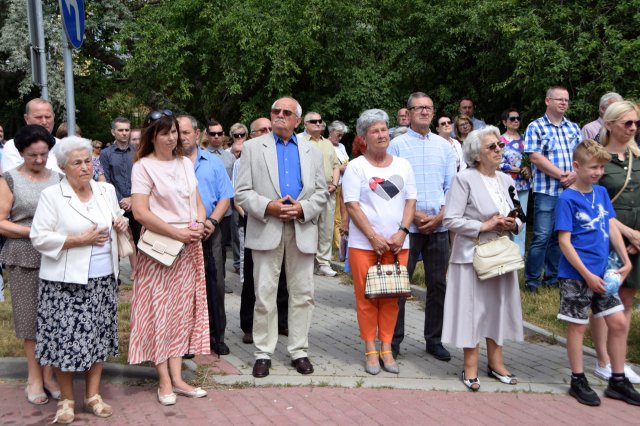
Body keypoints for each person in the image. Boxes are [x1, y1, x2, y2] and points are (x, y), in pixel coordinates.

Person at [30, 136, 128, 423]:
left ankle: (93, 396)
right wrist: (78, 240)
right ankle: (67, 400)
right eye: (77, 163)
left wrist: (120, 222)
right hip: (65, 284)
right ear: (63, 167)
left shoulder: (104, 190)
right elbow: (39, 237)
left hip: (102, 279)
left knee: (98, 338)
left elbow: (115, 217)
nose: (85, 167)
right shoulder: (52, 196)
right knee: (65, 342)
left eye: (87, 161)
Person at [235, 96, 328, 378]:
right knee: (264, 294)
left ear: (297, 120)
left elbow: (322, 192)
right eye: (275, 110)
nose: (279, 115)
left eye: (287, 112)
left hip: (301, 228)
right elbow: (241, 192)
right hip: (267, 226)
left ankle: (299, 350)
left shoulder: (311, 151)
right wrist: (268, 206)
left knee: (303, 295)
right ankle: (263, 353)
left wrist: (302, 208)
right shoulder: (252, 147)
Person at [128, 110, 210, 405]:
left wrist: (199, 224)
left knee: (180, 314)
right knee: (159, 313)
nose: (172, 137)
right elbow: (140, 212)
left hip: (188, 249)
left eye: (174, 131)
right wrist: (177, 234)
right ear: (152, 135)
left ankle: (178, 378)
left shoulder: (186, 163)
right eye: (164, 132)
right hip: (160, 251)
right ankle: (163, 379)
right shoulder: (143, 167)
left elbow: (198, 204)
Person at [554, 140, 637, 406]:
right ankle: (578, 379)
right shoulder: (567, 199)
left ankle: (617, 379)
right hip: (577, 275)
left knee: (619, 322)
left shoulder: (600, 193)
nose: (598, 172)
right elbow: (565, 242)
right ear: (576, 166)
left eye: (601, 167)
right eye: (593, 167)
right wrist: (586, 275)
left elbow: (610, 224)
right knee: (578, 326)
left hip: (603, 272)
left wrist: (625, 260)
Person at [442, 126, 525, 392]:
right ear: (476, 154)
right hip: (472, 256)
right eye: (492, 147)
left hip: (501, 254)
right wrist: (484, 225)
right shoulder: (463, 179)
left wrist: (513, 224)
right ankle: (470, 366)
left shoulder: (506, 180)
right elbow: (450, 219)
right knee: (472, 311)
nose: (499, 150)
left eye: (499, 145)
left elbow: (521, 215)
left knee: (497, 309)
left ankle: (497, 362)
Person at [343, 109, 416, 375]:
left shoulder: (403, 165)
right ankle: (371, 349)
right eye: (375, 131)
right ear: (364, 137)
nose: (382, 134)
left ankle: (387, 348)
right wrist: (373, 237)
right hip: (365, 246)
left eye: (384, 129)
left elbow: (410, 201)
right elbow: (351, 204)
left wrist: (402, 232)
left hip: (398, 246)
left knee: (391, 299)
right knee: (367, 298)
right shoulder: (356, 167)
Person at [388, 92, 456, 361]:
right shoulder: (398, 145)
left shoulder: (445, 147)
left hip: (438, 228)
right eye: (419, 108)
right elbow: (392, 187)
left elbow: (452, 188)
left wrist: (440, 217)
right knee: (399, 286)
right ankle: (393, 341)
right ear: (409, 111)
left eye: (429, 108)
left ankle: (434, 340)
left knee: (438, 285)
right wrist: (414, 216)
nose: (425, 112)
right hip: (408, 228)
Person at [0, 125, 62, 406]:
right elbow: (2, 222)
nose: (39, 160)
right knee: (29, 321)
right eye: (32, 155)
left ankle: (49, 376)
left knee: (53, 318)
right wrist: (36, 232)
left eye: (43, 154)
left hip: (56, 258)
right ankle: (34, 378)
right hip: (23, 256)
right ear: (21, 153)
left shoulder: (60, 178)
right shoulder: (9, 179)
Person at [592, 101, 640, 384]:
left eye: (636, 123)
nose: (633, 128)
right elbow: (598, 204)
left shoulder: (637, 156)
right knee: (605, 298)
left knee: (627, 298)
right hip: (609, 237)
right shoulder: (599, 158)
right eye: (627, 123)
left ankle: (620, 361)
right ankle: (603, 360)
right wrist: (628, 234)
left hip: (637, 239)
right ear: (609, 124)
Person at [177, 114, 233, 356]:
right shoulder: (169, 163)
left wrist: (211, 221)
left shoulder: (213, 162)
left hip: (211, 231)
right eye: (177, 132)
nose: (181, 137)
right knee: (183, 288)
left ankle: (216, 336)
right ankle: (186, 340)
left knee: (215, 283)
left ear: (197, 134)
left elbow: (225, 196)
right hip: (179, 233)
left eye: (186, 132)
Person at [524, 86, 582, 293]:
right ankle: (531, 281)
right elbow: (535, 157)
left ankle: (552, 278)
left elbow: (582, 155)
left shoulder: (574, 127)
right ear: (548, 101)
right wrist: (562, 175)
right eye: (559, 99)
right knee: (541, 236)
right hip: (547, 191)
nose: (564, 103)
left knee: (560, 237)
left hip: (570, 191)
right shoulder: (536, 127)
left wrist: (575, 175)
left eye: (566, 100)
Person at [238, 117, 289, 345]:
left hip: (286, 221)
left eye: (270, 128)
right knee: (254, 278)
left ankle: (281, 321)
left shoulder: (282, 152)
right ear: (252, 135)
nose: (269, 132)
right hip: (258, 220)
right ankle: (249, 324)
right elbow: (240, 192)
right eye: (263, 130)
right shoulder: (248, 154)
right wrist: (261, 208)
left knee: (283, 277)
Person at [298, 112, 341, 277]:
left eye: (320, 121)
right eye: (313, 121)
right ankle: (307, 261)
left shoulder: (328, 144)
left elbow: (336, 166)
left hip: (328, 191)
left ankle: (324, 262)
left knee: (327, 228)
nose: (318, 124)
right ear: (305, 124)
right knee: (307, 227)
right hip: (308, 193)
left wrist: (335, 184)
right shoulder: (299, 141)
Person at [100, 117, 140, 280]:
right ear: (113, 132)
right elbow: (106, 180)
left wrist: (131, 198)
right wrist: (120, 200)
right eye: (121, 130)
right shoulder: (106, 153)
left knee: (138, 238)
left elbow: (142, 177)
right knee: (115, 237)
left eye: (127, 130)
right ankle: (113, 275)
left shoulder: (137, 151)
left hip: (136, 201)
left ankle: (138, 271)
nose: (124, 133)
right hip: (114, 203)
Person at [499, 108, 531, 256]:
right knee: (509, 217)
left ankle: (520, 255)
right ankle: (508, 253)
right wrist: (518, 170)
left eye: (518, 118)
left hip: (524, 185)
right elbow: (498, 163)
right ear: (505, 122)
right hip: (507, 186)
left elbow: (532, 159)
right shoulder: (500, 140)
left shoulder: (525, 139)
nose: (516, 121)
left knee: (521, 219)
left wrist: (529, 169)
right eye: (512, 119)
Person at [1, 99, 60, 173]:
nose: (44, 122)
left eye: (48, 117)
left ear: (54, 117)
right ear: (26, 118)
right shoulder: (13, 146)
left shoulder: (63, 146)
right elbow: (12, 179)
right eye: (38, 117)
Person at [328, 120, 350, 251]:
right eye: (338, 134)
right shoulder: (325, 145)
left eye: (342, 135)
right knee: (336, 217)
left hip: (344, 184)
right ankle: (338, 245)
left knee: (343, 215)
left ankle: (343, 243)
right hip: (333, 184)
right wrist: (340, 168)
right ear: (331, 132)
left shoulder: (341, 146)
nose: (340, 137)